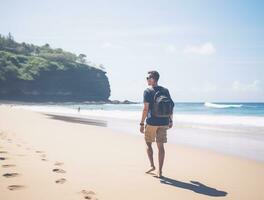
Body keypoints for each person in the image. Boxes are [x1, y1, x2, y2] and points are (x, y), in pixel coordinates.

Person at [140, 70, 174, 178]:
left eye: (148, 77)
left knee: (148, 143)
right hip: (164, 121)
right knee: (161, 146)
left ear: (153, 79)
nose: (147, 79)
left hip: (152, 122)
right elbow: (171, 107)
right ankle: (160, 171)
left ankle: (152, 165)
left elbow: (145, 109)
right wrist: (171, 120)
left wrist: (141, 123)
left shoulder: (147, 91)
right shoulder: (165, 90)